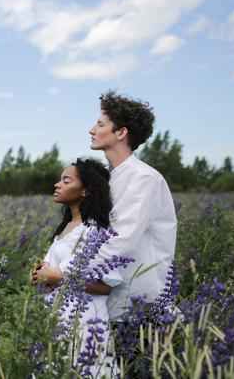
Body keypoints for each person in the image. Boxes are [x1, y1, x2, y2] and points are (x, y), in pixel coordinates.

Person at [88, 91, 177, 324]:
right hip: (108, 300)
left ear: (121, 132)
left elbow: (120, 240)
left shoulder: (144, 178)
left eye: (100, 124)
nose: (92, 130)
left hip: (139, 304)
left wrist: (67, 274)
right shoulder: (110, 178)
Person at [31, 158, 119, 377]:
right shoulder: (67, 227)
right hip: (55, 316)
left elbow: (106, 286)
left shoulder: (95, 232)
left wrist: (58, 278)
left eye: (66, 180)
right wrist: (37, 275)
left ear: (85, 191)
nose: (57, 185)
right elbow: (48, 271)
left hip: (84, 321)